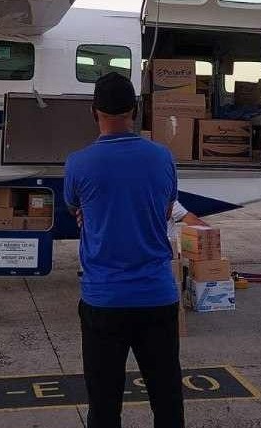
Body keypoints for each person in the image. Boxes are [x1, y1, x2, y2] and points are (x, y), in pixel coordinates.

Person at [65, 72, 183, 428]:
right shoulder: (163, 157)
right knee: (167, 401)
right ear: (135, 109)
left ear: (93, 111)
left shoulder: (78, 163)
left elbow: (76, 209)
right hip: (157, 296)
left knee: (104, 405)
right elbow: (166, 208)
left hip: (104, 301)